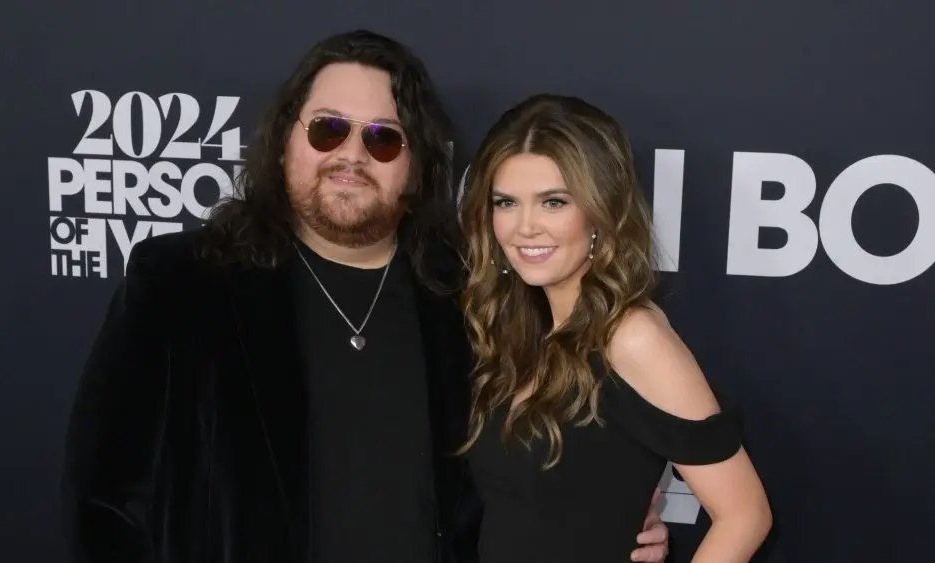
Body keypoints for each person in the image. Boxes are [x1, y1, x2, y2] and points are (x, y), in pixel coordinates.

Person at [60, 30, 670, 563]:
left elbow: (530, 471)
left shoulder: (472, 294)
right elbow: (104, 501)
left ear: (417, 165)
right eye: (327, 129)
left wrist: (613, 522)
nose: (350, 155)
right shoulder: (181, 283)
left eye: (383, 139)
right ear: (284, 142)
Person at [455, 93, 773, 562]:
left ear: (601, 211)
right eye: (506, 202)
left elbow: (745, 515)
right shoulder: (516, 329)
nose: (525, 227)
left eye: (554, 202)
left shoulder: (632, 336)